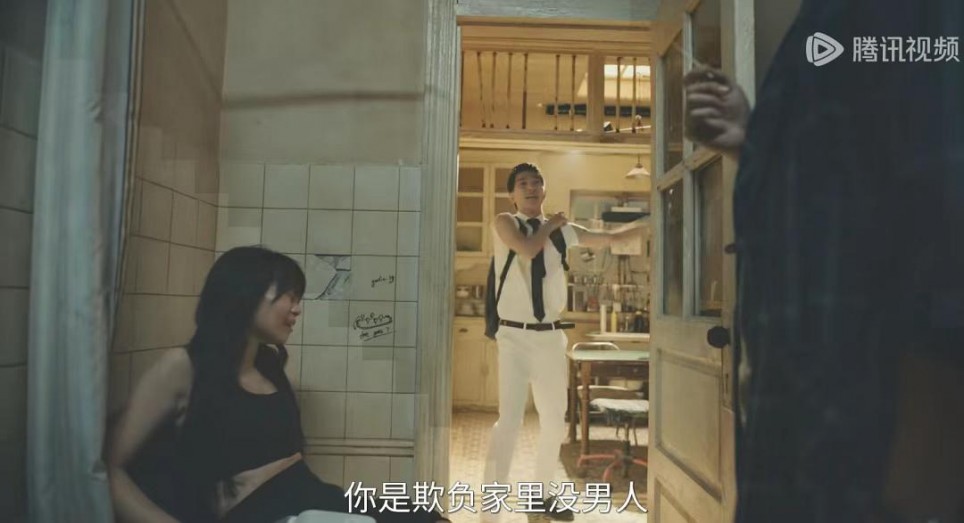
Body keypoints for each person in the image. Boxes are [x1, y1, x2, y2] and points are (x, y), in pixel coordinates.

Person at [684, 1, 964, 522]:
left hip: (865, 468)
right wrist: (754, 144)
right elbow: (838, 202)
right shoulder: (818, 26)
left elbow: (946, 212)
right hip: (797, 451)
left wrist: (923, 479)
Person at [107, 246, 448, 523]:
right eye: (289, 296)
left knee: (426, 517)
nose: (297, 309)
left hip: (309, 498)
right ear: (246, 294)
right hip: (262, 514)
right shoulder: (182, 366)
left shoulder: (268, 364)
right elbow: (112, 468)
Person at [482, 163, 644, 521]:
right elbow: (528, 249)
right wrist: (551, 223)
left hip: (550, 338)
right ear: (512, 194)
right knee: (509, 421)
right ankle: (490, 508)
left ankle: (540, 495)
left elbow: (609, 239)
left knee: (555, 419)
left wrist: (649, 224)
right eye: (523, 183)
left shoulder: (563, 232)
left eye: (537, 182)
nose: (531, 187)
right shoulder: (505, 222)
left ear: (544, 189)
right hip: (513, 337)